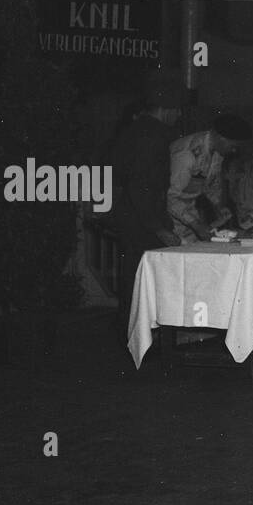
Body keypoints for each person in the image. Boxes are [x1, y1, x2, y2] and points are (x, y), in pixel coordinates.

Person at [106, 72, 183, 343]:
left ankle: (134, 339)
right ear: (166, 109)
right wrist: (159, 228)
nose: (179, 116)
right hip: (141, 221)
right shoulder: (154, 136)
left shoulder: (134, 129)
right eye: (177, 110)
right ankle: (139, 342)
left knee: (135, 282)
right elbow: (143, 187)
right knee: (146, 285)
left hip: (131, 216)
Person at [167, 116, 252, 243]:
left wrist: (218, 205)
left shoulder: (217, 150)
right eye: (233, 146)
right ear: (220, 137)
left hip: (188, 211)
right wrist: (196, 225)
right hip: (169, 214)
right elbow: (171, 197)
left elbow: (210, 182)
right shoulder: (187, 155)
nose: (234, 151)